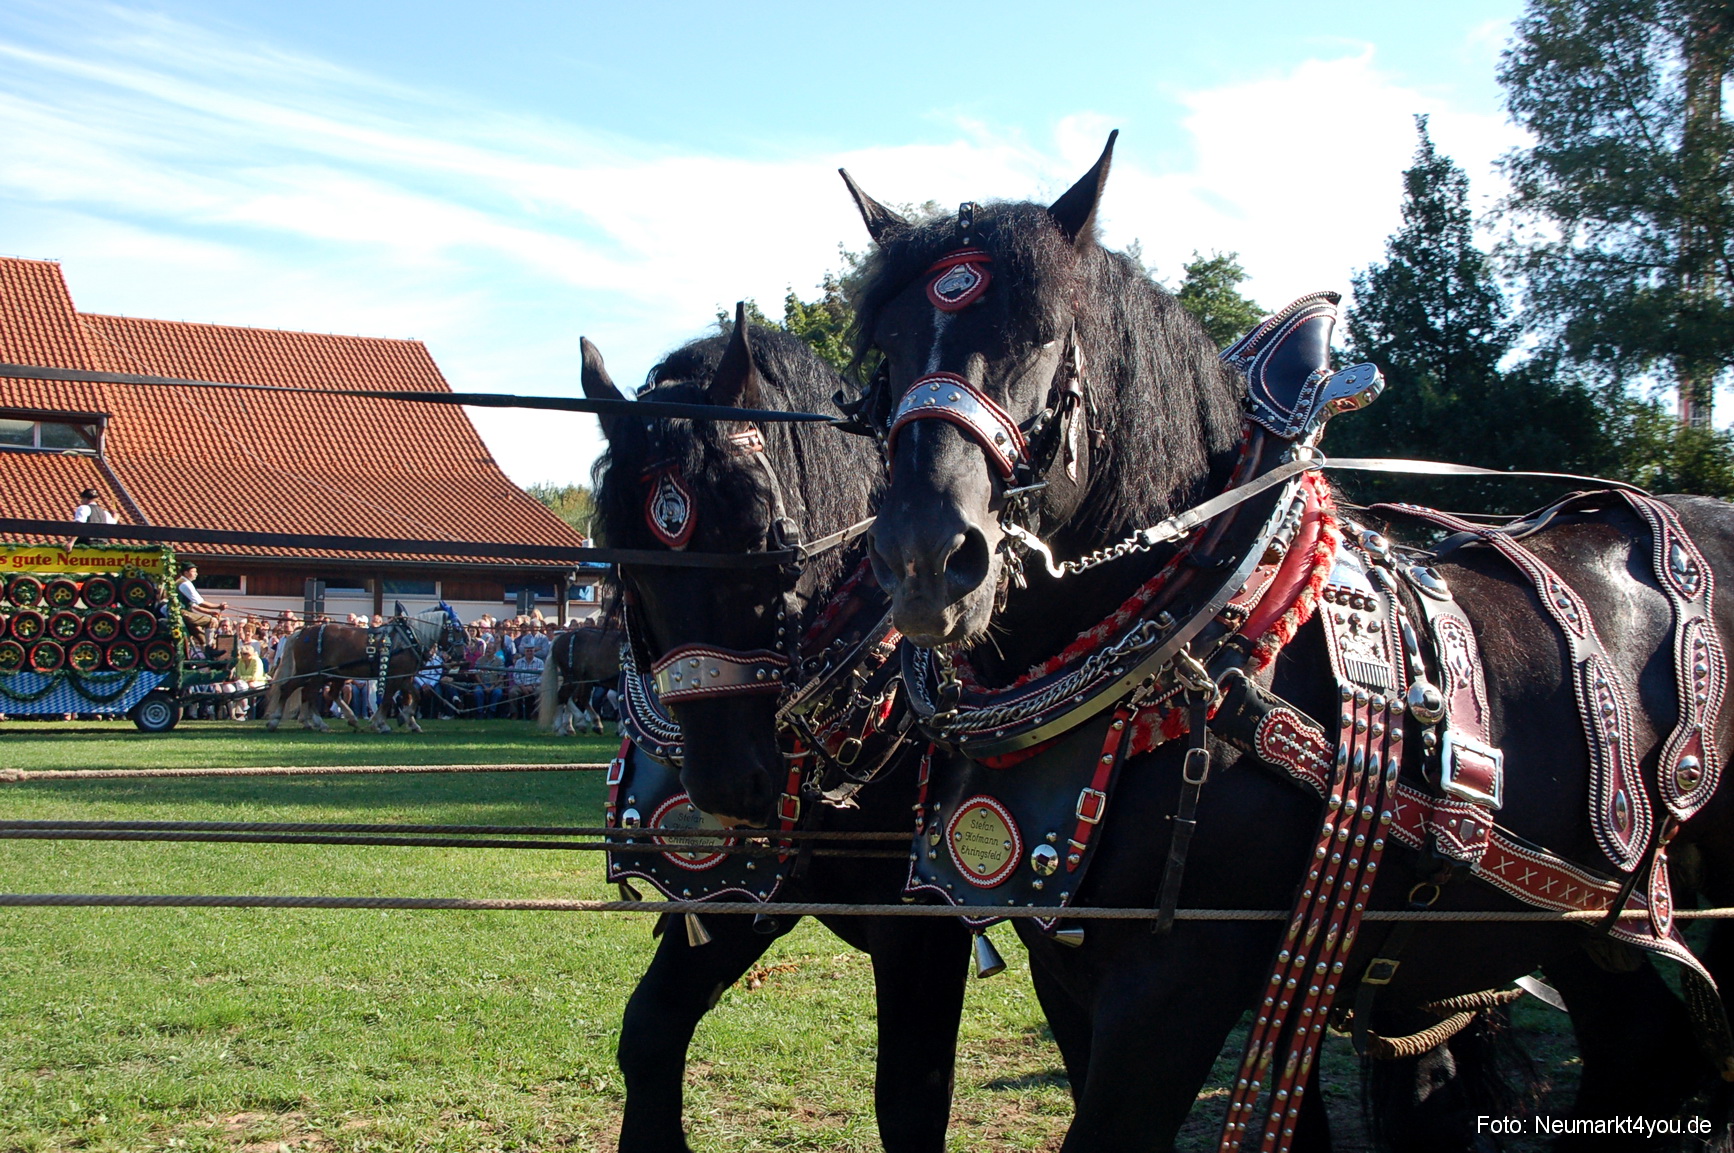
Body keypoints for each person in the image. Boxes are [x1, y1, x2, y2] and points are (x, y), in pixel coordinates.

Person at [176, 563, 228, 647]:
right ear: (186, 573)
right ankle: (209, 648)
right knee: (211, 621)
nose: (196, 573)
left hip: (182, 612)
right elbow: (200, 602)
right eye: (194, 571)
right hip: (181, 612)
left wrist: (210, 612)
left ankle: (207, 653)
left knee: (202, 638)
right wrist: (219, 606)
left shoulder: (181, 582)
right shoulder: (185, 584)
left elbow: (195, 606)